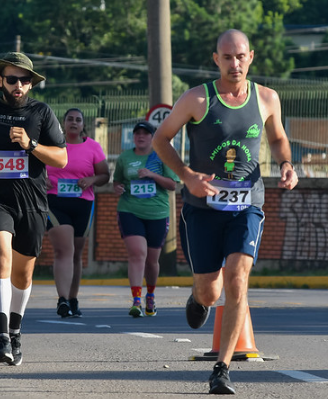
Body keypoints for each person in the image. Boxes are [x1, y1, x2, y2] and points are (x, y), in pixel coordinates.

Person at [152, 29, 298, 394]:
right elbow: (160, 139)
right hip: (202, 208)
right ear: (216, 59)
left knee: (237, 276)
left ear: (251, 57)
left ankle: (222, 369)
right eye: (227, 57)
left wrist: (286, 164)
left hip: (247, 204)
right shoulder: (197, 99)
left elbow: (278, 137)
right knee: (210, 290)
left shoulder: (266, 97)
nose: (235, 64)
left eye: (241, 56)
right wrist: (186, 176)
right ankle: (196, 296)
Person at [0, 52, 68, 366]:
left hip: (31, 201)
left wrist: (31, 145)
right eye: (12, 78)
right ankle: (2, 337)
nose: (19, 84)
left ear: (31, 84)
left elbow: (61, 159)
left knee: (24, 271)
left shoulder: (41, 113)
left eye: (25, 79)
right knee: (1, 255)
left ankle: (16, 330)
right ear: (0, 81)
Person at [45, 108, 110, 318]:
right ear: (63, 123)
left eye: (78, 120)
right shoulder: (51, 145)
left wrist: (91, 180)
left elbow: (104, 175)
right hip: (55, 201)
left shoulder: (93, 147)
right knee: (64, 249)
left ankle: (73, 299)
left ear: (83, 125)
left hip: (83, 203)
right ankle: (62, 300)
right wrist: (40, 180)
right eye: (70, 119)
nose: (74, 122)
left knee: (76, 253)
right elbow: (33, 168)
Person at [112, 121, 179, 318]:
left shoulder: (162, 156)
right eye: (137, 133)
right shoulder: (125, 157)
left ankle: (150, 295)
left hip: (157, 213)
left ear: (152, 137)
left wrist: (151, 174)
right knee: (137, 253)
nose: (141, 136)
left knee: (151, 261)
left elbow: (172, 185)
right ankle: (136, 300)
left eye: (145, 133)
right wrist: (117, 187)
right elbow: (117, 180)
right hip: (129, 210)